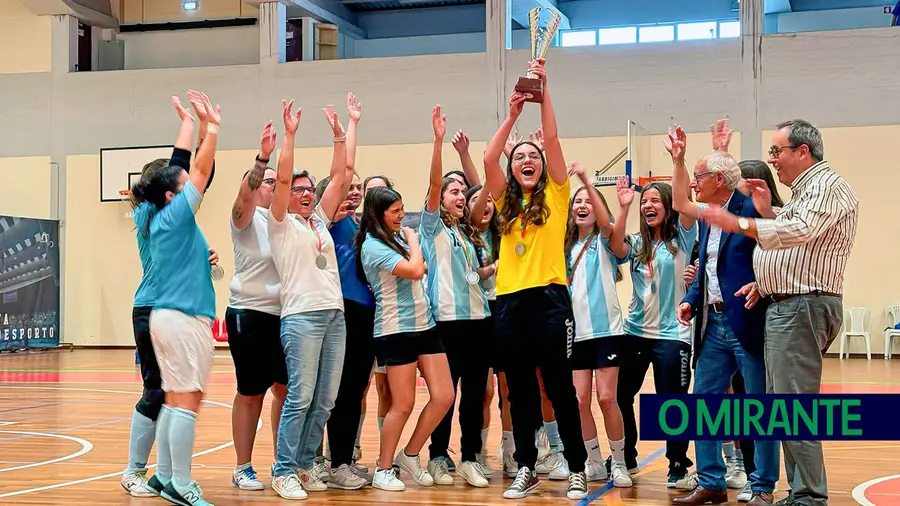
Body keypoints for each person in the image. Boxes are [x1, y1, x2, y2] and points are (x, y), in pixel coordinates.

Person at [700, 119, 859, 506]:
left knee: (793, 406)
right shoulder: (806, 191)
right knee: (782, 406)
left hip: (801, 305)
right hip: (787, 304)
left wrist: (742, 221)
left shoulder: (825, 185)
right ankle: (800, 492)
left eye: (777, 151)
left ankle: (809, 496)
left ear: (802, 151)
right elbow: (794, 246)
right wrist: (768, 214)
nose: (773, 160)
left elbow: (799, 232)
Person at [473, 58, 588, 500]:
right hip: (510, 303)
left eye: (532, 156)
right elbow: (487, 157)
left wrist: (544, 92)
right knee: (518, 393)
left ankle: (576, 466)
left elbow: (553, 137)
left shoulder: (558, 195)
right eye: (519, 156)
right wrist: (513, 114)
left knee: (559, 389)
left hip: (550, 301)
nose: (526, 159)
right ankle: (527, 466)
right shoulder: (503, 199)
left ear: (542, 167)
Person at [664, 121, 778, 506]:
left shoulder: (750, 208)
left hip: (747, 320)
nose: (694, 184)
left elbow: (775, 251)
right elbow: (708, 261)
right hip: (712, 324)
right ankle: (711, 482)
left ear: (718, 179)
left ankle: (762, 487)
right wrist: (691, 296)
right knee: (704, 403)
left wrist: (762, 282)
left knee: (758, 409)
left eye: (699, 177)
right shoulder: (708, 212)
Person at [131, 90, 219, 506]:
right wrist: (211, 128)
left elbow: (182, 166)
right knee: (185, 400)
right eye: (180, 186)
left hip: (165, 316)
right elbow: (196, 170)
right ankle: (180, 483)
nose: (189, 186)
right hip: (181, 318)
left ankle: (164, 476)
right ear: (171, 195)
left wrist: (188, 122)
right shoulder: (175, 212)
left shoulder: (152, 213)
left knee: (173, 397)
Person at [268, 99, 355, 499]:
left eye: (308, 189)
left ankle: (304, 465)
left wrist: (342, 131)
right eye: (297, 189)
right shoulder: (281, 224)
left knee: (325, 400)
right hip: (301, 317)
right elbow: (282, 179)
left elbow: (343, 173)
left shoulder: (319, 219)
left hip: (334, 316)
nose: (303, 193)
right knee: (300, 397)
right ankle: (283, 469)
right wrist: (289, 135)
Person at [355, 186, 455, 492]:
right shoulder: (372, 245)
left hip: (424, 324)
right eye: (395, 210)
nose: (402, 215)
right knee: (403, 403)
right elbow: (415, 269)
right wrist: (413, 241)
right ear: (378, 213)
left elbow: (421, 267)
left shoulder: (396, 238)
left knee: (444, 395)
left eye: (402, 209)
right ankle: (384, 468)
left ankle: (409, 454)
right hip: (395, 329)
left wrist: (411, 248)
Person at [419, 106, 492, 488]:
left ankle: (469, 457)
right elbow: (433, 187)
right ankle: (436, 457)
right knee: (446, 396)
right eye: (454, 190)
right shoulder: (432, 229)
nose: (461, 195)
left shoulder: (470, 234)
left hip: (479, 321)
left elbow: (485, 193)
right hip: (445, 322)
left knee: (475, 396)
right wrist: (437, 142)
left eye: (463, 191)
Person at [612, 173, 697, 489]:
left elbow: (685, 203)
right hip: (634, 332)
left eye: (654, 201)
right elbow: (616, 246)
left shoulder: (684, 239)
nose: (648, 205)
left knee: (672, 402)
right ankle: (628, 458)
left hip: (673, 335)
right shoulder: (636, 243)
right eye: (644, 201)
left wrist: (678, 160)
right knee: (621, 395)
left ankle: (677, 465)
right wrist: (623, 207)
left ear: (668, 206)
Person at [224, 120, 287, 491]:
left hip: (286, 317)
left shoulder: (286, 222)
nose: (273, 187)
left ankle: (283, 462)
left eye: (278, 183)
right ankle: (243, 465)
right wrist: (263, 158)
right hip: (249, 313)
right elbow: (245, 195)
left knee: (284, 390)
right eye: (268, 182)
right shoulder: (246, 220)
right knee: (252, 392)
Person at [564, 163, 633, 488]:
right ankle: (593, 461)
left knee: (607, 398)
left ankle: (618, 462)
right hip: (573, 335)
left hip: (607, 332)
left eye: (588, 202)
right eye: (577, 202)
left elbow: (608, 225)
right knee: (579, 401)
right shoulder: (564, 248)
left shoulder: (605, 243)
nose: (582, 205)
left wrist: (586, 182)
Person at [317, 93, 373, 490]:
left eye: (359, 189)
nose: (353, 191)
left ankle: (343, 460)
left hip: (368, 314)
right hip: (344, 312)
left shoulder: (359, 226)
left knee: (354, 391)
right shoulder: (331, 220)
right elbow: (345, 168)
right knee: (338, 392)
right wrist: (350, 125)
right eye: (347, 188)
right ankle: (331, 463)